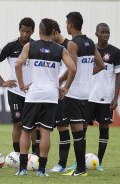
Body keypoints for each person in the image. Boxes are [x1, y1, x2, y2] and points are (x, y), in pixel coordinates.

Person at [15, 18, 76, 177]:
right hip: (51, 95)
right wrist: (66, 87)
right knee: (46, 133)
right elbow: (73, 68)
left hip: (34, 94)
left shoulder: (30, 46)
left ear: (40, 32)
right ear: (53, 32)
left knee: (26, 131)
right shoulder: (60, 49)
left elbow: (17, 65)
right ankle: (41, 170)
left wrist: (22, 85)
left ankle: (22, 169)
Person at [61, 12, 105, 176]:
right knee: (79, 132)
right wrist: (86, 76)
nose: (66, 26)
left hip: (74, 93)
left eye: (66, 23)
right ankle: (81, 168)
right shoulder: (90, 42)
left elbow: (72, 68)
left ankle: (80, 169)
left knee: (77, 132)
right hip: (87, 92)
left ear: (71, 25)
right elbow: (101, 65)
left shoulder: (72, 44)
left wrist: (66, 86)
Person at [0, 17, 39, 154]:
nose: (24, 34)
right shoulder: (11, 46)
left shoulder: (36, 46)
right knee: (18, 123)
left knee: (33, 125)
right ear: (19, 29)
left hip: (32, 92)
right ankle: (17, 155)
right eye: (22, 31)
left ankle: (35, 155)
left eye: (28, 32)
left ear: (32, 31)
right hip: (15, 91)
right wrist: (2, 82)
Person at [84, 23, 120, 171]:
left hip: (106, 97)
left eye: (108, 32)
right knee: (82, 127)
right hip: (88, 96)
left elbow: (119, 75)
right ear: (96, 33)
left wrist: (115, 97)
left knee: (104, 127)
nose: (106, 34)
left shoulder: (115, 52)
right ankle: (79, 161)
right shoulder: (89, 50)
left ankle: (99, 162)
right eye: (102, 32)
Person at [49, 21, 71, 172]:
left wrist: (59, 83)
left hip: (63, 93)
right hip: (49, 93)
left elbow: (71, 68)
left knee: (62, 127)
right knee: (40, 127)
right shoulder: (51, 47)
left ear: (56, 33)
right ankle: (36, 160)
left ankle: (62, 164)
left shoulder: (69, 45)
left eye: (50, 36)